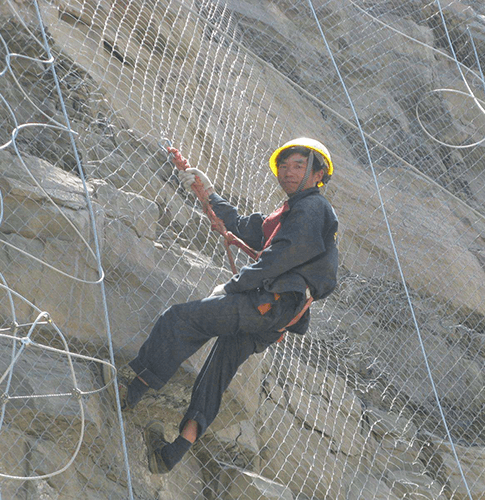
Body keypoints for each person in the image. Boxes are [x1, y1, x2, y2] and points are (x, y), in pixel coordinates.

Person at [113, 138, 339, 474]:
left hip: (267, 304)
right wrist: (206, 192)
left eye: (298, 165)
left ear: (318, 172)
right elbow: (245, 227)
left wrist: (233, 286)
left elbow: (280, 257)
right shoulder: (292, 213)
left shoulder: (312, 209)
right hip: (275, 318)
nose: (287, 172)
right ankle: (173, 452)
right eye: (284, 165)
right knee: (217, 372)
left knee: (179, 320)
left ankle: (127, 394)